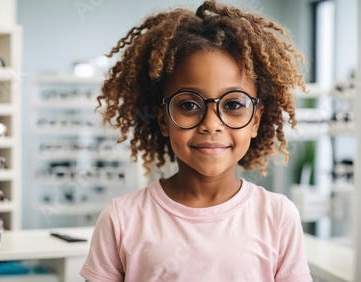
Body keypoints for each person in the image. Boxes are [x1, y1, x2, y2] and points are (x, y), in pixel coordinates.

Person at [80, 0, 312, 281]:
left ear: (256, 119)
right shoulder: (121, 219)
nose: (211, 124)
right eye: (189, 106)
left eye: (234, 104)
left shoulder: (277, 216)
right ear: (164, 119)